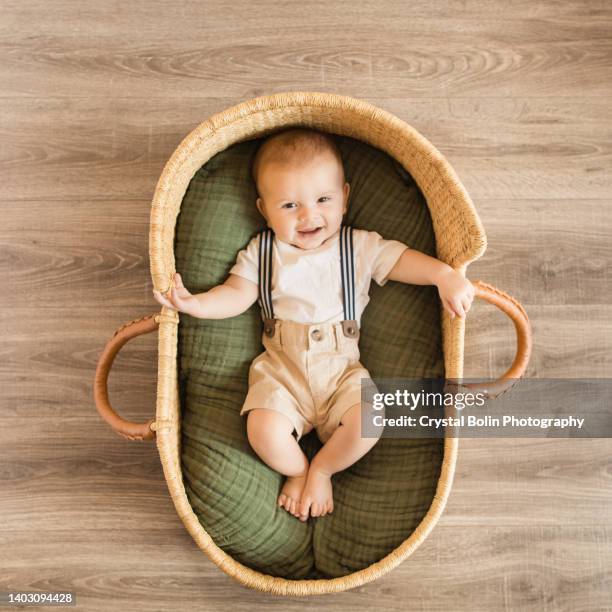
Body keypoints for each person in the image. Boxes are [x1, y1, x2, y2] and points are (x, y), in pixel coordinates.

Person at [153, 128, 474, 522]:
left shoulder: (358, 246)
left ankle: (322, 468)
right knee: (263, 432)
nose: (309, 215)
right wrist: (196, 304)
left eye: (324, 199)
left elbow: (403, 260)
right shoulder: (263, 252)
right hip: (281, 374)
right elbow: (236, 293)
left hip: (342, 375)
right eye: (289, 205)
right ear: (264, 210)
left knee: (371, 420)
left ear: (345, 198)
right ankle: (298, 470)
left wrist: (444, 275)